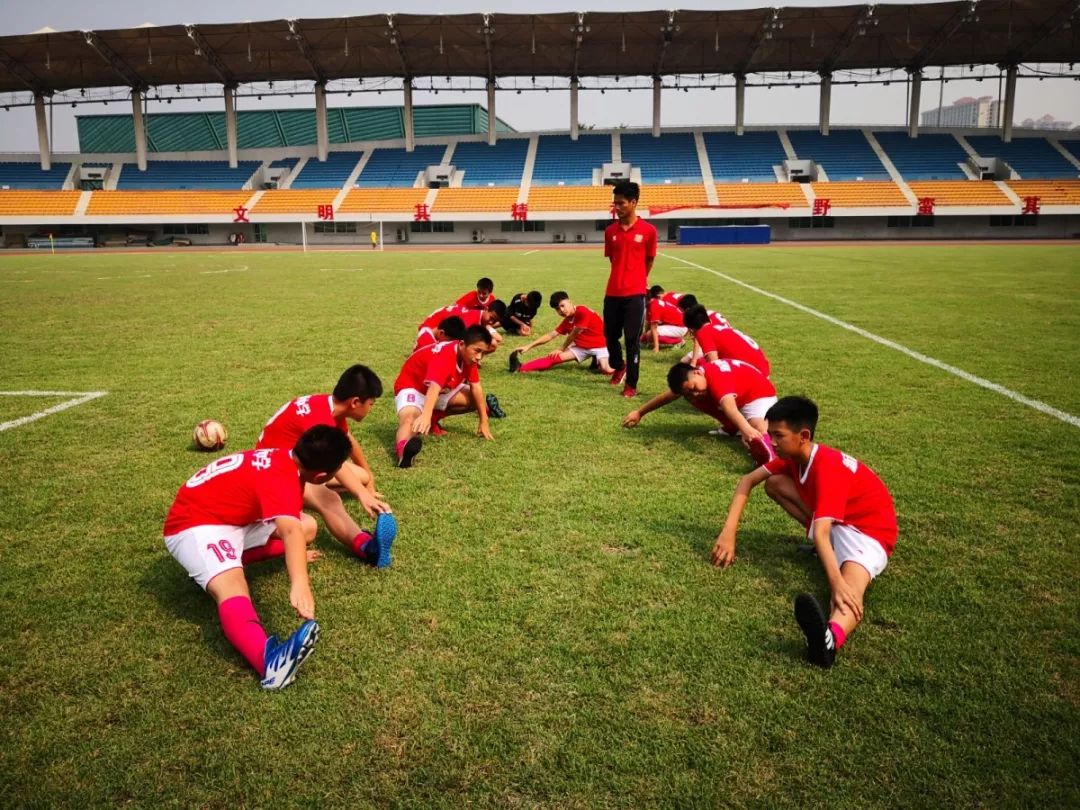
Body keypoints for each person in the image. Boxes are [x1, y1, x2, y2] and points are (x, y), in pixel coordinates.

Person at [163, 425, 377, 689]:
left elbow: (296, 529)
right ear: (321, 476)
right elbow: (290, 531)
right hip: (194, 526)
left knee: (308, 526)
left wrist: (295, 554)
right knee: (233, 587)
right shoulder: (284, 478)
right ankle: (270, 665)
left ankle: (228, 562)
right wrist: (300, 583)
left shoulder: (285, 458)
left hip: (230, 518)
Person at [709, 396, 898, 669]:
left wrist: (835, 584)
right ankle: (830, 561)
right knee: (774, 484)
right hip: (838, 524)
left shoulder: (828, 468)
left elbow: (822, 533)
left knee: (849, 589)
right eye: (770, 433)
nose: (771, 441)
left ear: (803, 435)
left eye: (778, 435)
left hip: (868, 534)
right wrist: (728, 534)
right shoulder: (793, 456)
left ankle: (828, 641)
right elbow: (747, 481)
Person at [256, 365, 396, 566]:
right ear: (355, 402)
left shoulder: (328, 406)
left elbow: (347, 440)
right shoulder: (319, 420)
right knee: (329, 500)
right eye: (371, 404)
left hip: (289, 461)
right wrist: (362, 495)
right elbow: (336, 464)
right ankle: (367, 548)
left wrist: (369, 479)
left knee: (361, 477)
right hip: (276, 472)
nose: (371, 408)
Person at [622, 359, 777, 464]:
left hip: (757, 394)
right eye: (689, 393)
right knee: (745, 435)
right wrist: (639, 412)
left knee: (757, 428)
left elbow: (729, 407)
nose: (694, 393)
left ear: (697, 372)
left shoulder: (716, 377)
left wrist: (748, 430)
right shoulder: (689, 384)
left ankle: (770, 455)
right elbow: (666, 397)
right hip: (739, 401)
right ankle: (739, 431)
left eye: (694, 388)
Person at [393, 325, 496, 467]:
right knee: (409, 419)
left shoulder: (468, 357)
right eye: (477, 351)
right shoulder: (445, 355)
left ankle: (432, 421)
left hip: (438, 390)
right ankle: (403, 451)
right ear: (462, 344)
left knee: (473, 399)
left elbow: (476, 387)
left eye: (483, 353)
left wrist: (483, 420)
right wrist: (425, 415)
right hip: (413, 387)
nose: (479, 357)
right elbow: (434, 387)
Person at [604, 180, 657, 398]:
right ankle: (619, 365)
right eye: (615, 203)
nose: (616, 207)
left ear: (633, 203)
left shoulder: (648, 231)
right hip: (612, 292)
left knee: (632, 340)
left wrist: (638, 279)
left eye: (621, 203)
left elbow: (649, 259)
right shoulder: (610, 231)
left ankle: (631, 385)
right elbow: (612, 260)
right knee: (610, 335)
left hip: (635, 294)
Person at [508, 290, 614, 375]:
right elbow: (551, 335)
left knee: (606, 370)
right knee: (553, 358)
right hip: (582, 347)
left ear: (570, 302)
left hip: (601, 345)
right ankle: (520, 367)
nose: (561, 310)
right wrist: (528, 346)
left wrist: (561, 348)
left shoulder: (583, 312)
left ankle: (628, 366)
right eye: (558, 309)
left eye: (563, 306)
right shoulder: (567, 320)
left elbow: (574, 334)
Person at [682, 305, 770, 376]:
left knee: (700, 372)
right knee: (701, 365)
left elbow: (715, 366)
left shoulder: (703, 333)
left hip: (754, 375)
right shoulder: (718, 328)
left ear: (692, 328)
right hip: (763, 371)